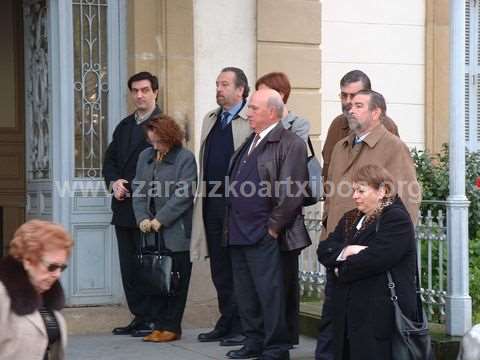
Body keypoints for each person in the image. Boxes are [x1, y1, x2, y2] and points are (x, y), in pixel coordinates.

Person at [316, 89, 419, 360]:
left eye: (359, 105)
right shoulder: (341, 146)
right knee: (333, 325)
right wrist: (334, 241)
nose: (350, 108)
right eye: (349, 104)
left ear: (376, 113)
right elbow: (331, 193)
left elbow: (407, 198)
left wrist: (392, 241)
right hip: (342, 238)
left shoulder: (393, 146)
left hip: (376, 262)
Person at [225, 89, 310, 360]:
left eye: (253, 108)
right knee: (246, 293)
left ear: (272, 112)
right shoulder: (250, 140)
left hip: (265, 234)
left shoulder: (290, 143)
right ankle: (254, 342)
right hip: (238, 231)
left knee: (270, 294)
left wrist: (272, 228)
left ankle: (275, 348)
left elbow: (292, 192)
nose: (248, 113)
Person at [191, 67, 252, 346]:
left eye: (225, 84)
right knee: (219, 268)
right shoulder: (211, 119)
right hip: (211, 204)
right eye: (217, 84)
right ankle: (226, 320)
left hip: (238, 207)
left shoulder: (249, 120)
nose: (219, 89)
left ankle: (242, 326)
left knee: (238, 267)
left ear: (240, 90)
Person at [103, 71, 161, 337]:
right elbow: (110, 159)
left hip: (149, 209)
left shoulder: (164, 125)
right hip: (122, 206)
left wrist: (137, 186)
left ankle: (153, 318)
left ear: (155, 92)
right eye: (135, 91)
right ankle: (139, 316)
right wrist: (114, 181)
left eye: (145, 90)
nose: (139, 95)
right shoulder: (124, 125)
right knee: (129, 266)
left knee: (148, 264)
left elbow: (166, 167)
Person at [255, 71, 310, 346]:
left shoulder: (297, 125)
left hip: (286, 216)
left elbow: (290, 164)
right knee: (266, 281)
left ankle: (286, 336)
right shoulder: (254, 127)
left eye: (263, 95)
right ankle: (266, 333)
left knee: (286, 279)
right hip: (262, 210)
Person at [131, 114, 197, 343]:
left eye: (159, 142)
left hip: (175, 231)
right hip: (150, 233)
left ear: (170, 137)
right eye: (152, 142)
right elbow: (138, 190)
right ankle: (158, 325)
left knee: (176, 282)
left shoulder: (185, 158)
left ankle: (171, 326)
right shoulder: (145, 157)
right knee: (155, 280)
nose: (155, 146)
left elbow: (184, 193)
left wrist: (161, 219)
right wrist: (141, 218)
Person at [0, 220, 74, 360]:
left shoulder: (48, 295)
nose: (57, 274)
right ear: (28, 261)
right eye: (51, 267)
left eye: (62, 267)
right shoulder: (2, 294)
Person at [321, 70, 399, 183]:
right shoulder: (337, 125)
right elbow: (328, 172)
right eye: (344, 95)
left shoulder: (386, 126)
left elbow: (394, 178)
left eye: (353, 96)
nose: (347, 101)